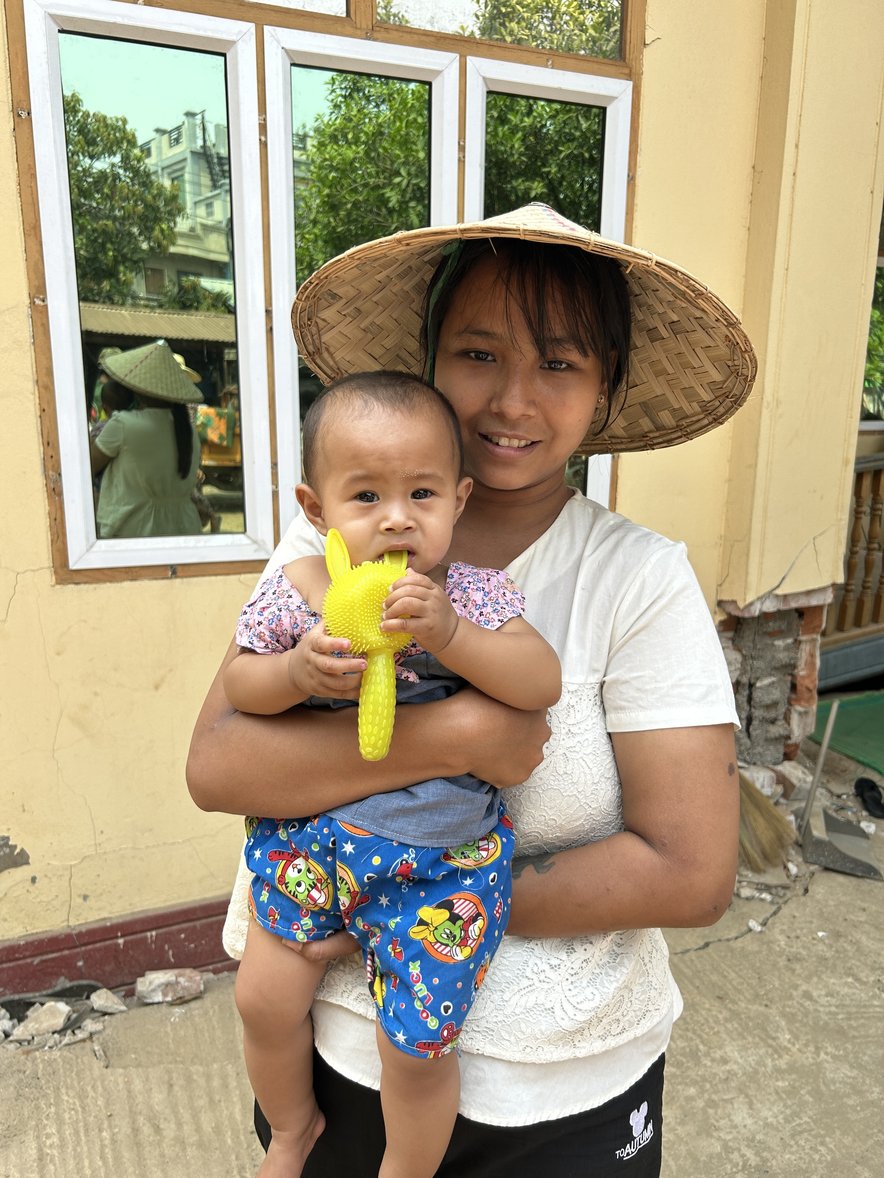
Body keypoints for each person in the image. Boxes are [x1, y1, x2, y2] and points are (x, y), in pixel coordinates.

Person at [188, 203, 757, 1177]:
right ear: (429, 358)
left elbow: (689, 868)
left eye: (561, 362)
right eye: (478, 353)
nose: (510, 400)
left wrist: (420, 908)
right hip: (340, 1070)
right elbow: (218, 763)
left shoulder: (636, 576)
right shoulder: (332, 547)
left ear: (606, 388)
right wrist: (455, 735)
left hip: (564, 1093)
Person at [224, 369, 560, 1178]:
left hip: (441, 867)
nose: (398, 518)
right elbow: (241, 685)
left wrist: (452, 637)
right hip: (313, 848)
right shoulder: (299, 593)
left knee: (414, 1049)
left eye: (422, 493)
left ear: (460, 498)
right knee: (261, 999)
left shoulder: (473, 595)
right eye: (366, 496)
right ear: (316, 510)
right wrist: (296, 675)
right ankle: (293, 1127)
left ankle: (405, 1169)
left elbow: (538, 681)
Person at [89, 339, 203, 538]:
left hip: (135, 530)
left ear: (139, 389)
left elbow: (88, 466)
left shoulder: (123, 424)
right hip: (184, 528)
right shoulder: (188, 430)